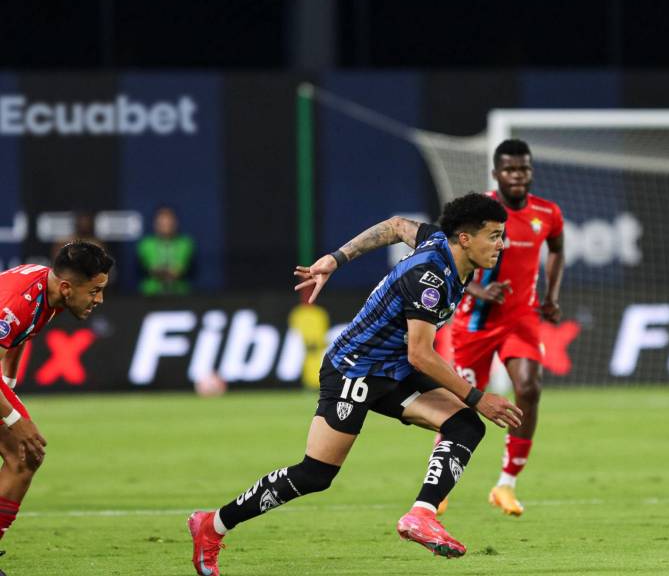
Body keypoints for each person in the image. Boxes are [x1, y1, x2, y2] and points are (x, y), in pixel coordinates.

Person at [188, 193, 523, 575]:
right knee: (315, 474)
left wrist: (336, 258)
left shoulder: (438, 241)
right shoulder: (428, 278)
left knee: (464, 425)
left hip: (391, 369)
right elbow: (421, 355)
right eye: (494, 236)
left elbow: (396, 225)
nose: (501, 244)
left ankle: (421, 515)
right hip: (354, 370)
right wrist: (478, 396)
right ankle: (211, 525)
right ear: (465, 238)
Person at [438, 139, 564, 517]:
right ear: (496, 174)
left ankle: (506, 484)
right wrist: (478, 288)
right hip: (474, 323)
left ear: (531, 171)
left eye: (523, 169)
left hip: (519, 319)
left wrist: (552, 294)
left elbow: (557, 247)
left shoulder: (547, 212)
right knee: (459, 407)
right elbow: (450, 257)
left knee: (529, 387)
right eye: (509, 170)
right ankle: (440, 486)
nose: (517, 176)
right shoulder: (481, 213)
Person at [0, 242, 114, 561]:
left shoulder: (46, 290)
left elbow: (18, 338)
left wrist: (7, 387)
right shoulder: (16, 304)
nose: (99, 299)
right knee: (23, 448)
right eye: (94, 291)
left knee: (26, 454)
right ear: (66, 287)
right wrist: (13, 420)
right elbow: (16, 322)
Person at [137, 206, 195, 295]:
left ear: (175, 223)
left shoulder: (185, 243)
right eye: (162, 221)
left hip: (180, 293)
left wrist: (167, 271)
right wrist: (164, 271)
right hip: (150, 294)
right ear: (155, 224)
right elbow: (153, 269)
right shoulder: (146, 244)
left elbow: (178, 270)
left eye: (169, 221)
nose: (166, 224)